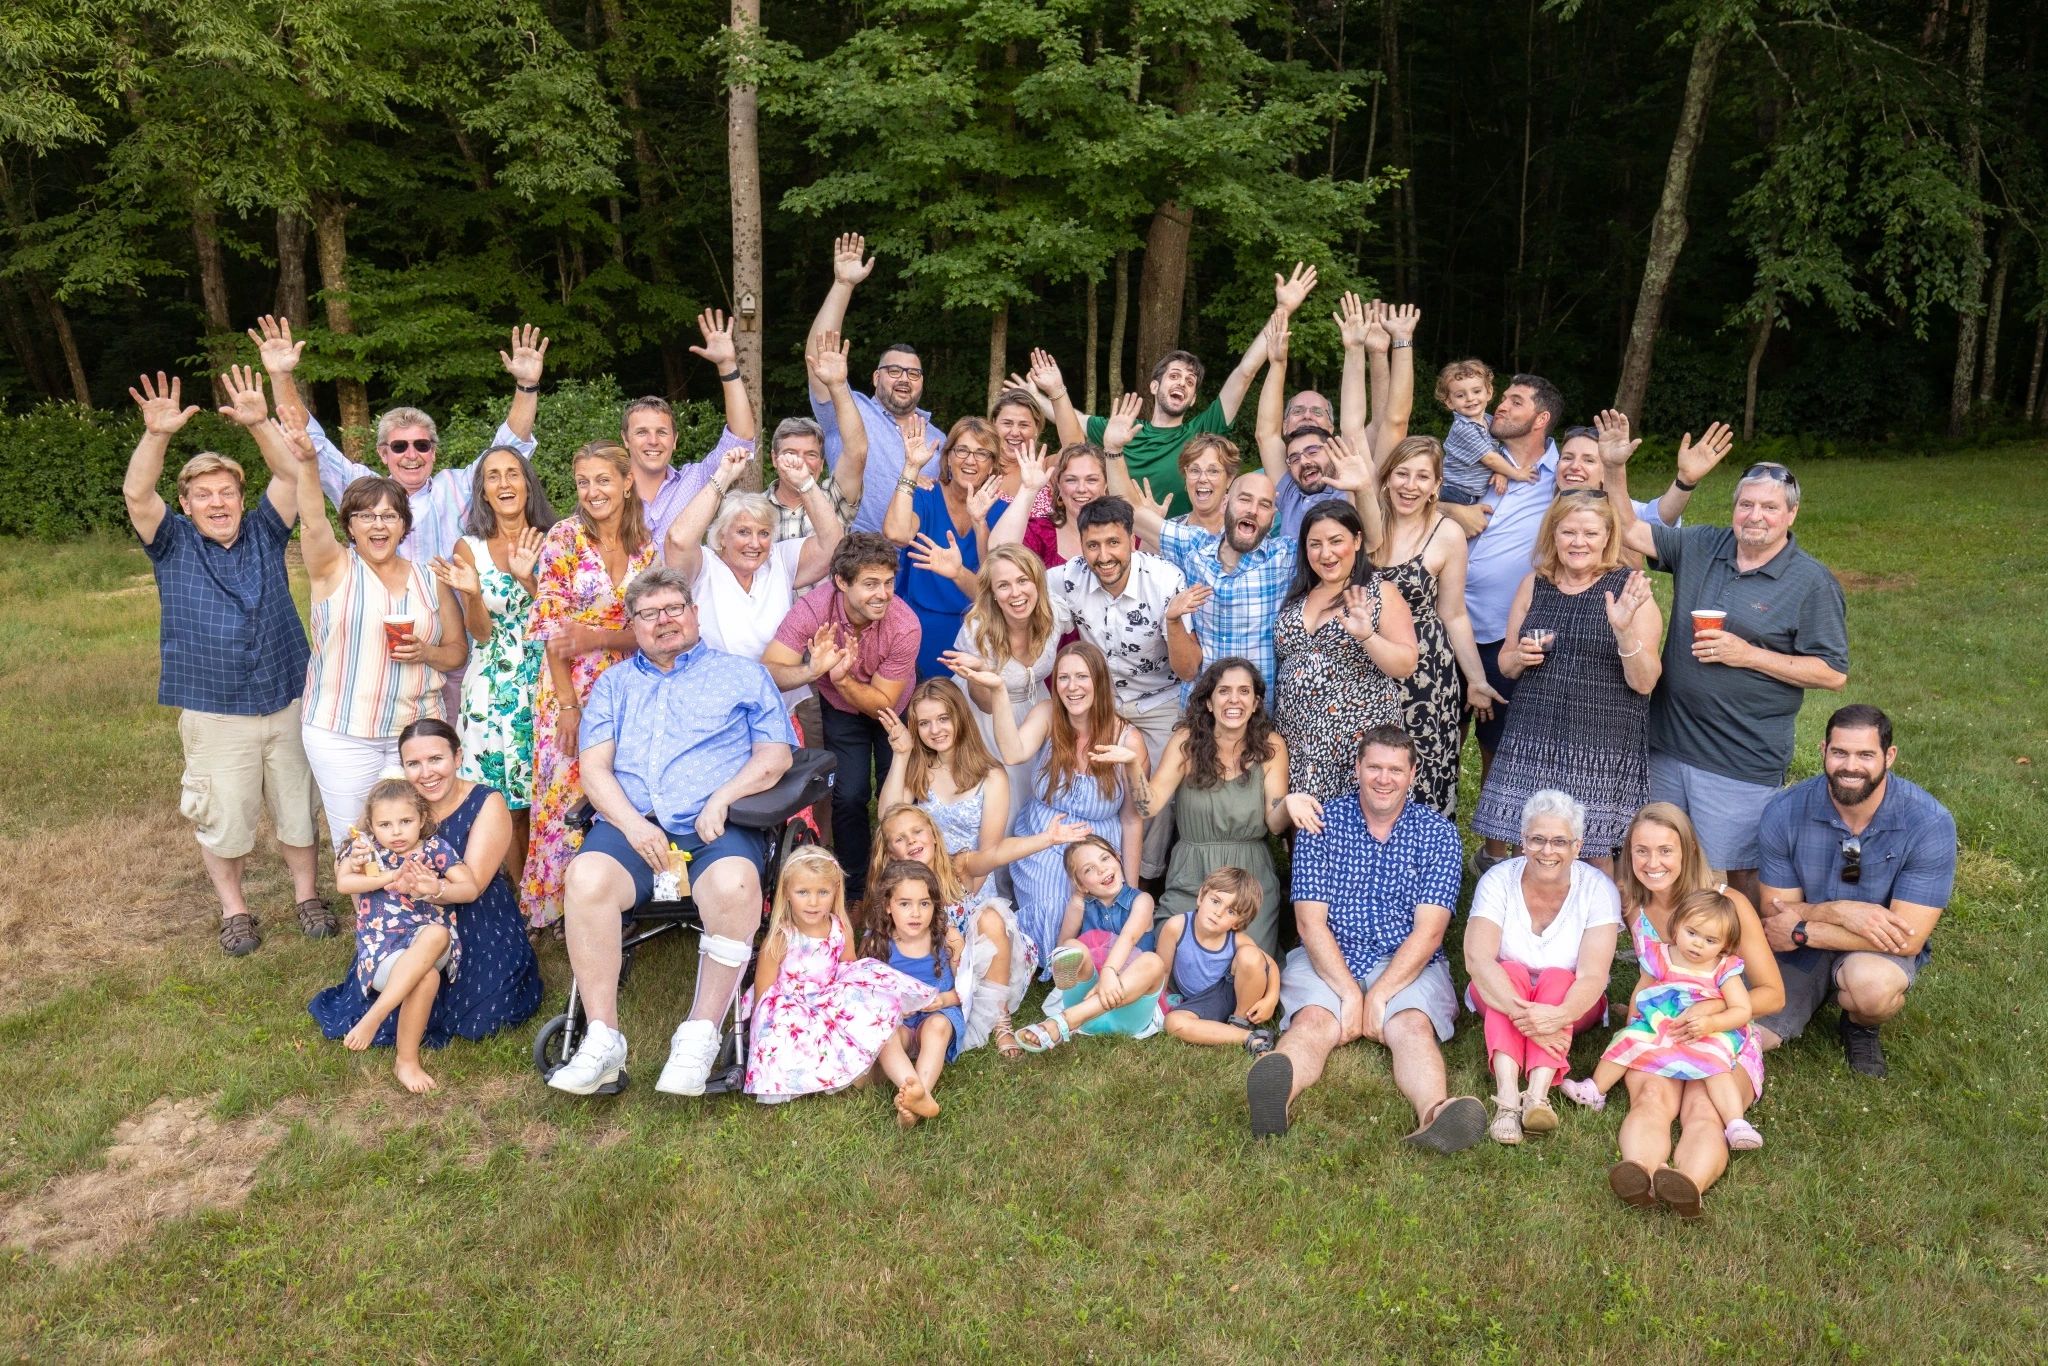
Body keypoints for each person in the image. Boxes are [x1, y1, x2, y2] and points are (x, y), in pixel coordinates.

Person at [545, 568, 798, 1098]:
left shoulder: (742, 675)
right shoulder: (614, 685)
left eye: (673, 609)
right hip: (633, 825)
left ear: (694, 614)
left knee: (733, 887)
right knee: (587, 877)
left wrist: (723, 798)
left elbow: (774, 757)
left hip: (717, 824)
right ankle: (601, 1039)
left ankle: (701, 1034)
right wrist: (634, 828)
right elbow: (594, 770)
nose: (664, 622)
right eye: (649, 614)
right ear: (633, 626)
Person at [1597, 410, 1849, 905]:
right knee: (1660, 855)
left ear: (1791, 515)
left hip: (1740, 755)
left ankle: (1751, 958)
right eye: (1747, 504)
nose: (1755, 516)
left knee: (1742, 873)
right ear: (1733, 508)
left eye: (1770, 508)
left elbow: (1832, 672)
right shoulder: (1706, 544)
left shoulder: (1811, 582)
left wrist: (1747, 653)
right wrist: (1613, 469)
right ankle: (1666, 948)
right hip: (1668, 742)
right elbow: (1629, 532)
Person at [125, 367, 325, 957]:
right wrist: (157, 435)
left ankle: (307, 896)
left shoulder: (266, 532)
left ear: (242, 497)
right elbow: (138, 493)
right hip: (215, 708)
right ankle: (235, 910)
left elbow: (291, 474)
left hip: (287, 693)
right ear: (185, 504)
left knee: (297, 807)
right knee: (225, 817)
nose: (218, 502)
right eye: (204, 494)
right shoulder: (173, 542)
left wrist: (261, 421)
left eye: (227, 492)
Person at [1245, 727, 1485, 1151]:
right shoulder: (1321, 825)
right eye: (1374, 766)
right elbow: (1310, 923)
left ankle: (1436, 1115)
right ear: (1357, 769)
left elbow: (1429, 933)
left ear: (1413, 773)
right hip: (1329, 954)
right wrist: (1347, 992)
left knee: (1411, 1026)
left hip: (1408, 961)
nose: (1383, 778)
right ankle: (1274, 1099)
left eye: (1395, 769)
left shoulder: (1438, 835)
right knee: (1313, 1022)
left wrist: (1379, 995)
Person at [287, 404, 468, 849]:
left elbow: (457, 652)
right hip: (341, 732)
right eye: (366, 516)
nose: (378, 524)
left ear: (405, 525)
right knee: (357, 841)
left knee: (417, 835)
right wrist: (308, 464)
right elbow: (312, 517)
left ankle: (421, 918)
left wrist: (426, 653)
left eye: (389, 516)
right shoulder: (334, 567)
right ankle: (372, 921)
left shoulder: (432, 577)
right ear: (349, 525)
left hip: (414, 735)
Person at [308, 718, 545, 1050]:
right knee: (405, 991)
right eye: (414, 764)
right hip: (404, 923)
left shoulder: (485, 802)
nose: (427, 772)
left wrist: (431, 889)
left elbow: (473, 886)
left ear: (457, 757)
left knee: (485, 1017)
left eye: (436, 759)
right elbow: (349, 857)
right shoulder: (397, 803)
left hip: (475, 914)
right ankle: (384, 1013)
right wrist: (358, 861)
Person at [996, 493, 1197, 879]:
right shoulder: (1069, 577)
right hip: (1097, 699)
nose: (1104, 556)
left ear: (1131, 539)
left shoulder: (1165, 580)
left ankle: (1142, 880)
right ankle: (1075, 862)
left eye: (1113, 543)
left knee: (1153, 798)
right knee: (1079, 775)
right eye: (1093, 545)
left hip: (1158, 699)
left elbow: (1188, 670)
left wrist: (1172, 623)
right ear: (1082, 543)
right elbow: (1010, 578)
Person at [1753, 705, 1956, 1079]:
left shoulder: (1929, 823)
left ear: (1888, 756)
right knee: (1751, 1037)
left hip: (1867, 948)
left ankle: (1859, 1024)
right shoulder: (1784, 811)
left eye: (1865, 754)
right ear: (1823, 750)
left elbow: (1906, 938)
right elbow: (1774, 909)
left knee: (1872, 990)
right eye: (1840, 752)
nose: (1851, 766)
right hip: (1804, 948)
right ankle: (1810, 991)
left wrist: (1805, 928)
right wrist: (1841, 910)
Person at [1607, 802, 1785, 1218]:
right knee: (1650, 1099)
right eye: (1641, 850)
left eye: (1666, 850)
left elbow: (1773, 994)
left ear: (1687, 851)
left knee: (1704, 1109)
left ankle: (1687, 1184)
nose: (1653, 863)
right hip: (1663, 1034)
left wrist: (1712, 1009)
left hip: (1722, 1035)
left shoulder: (1728, 904)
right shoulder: (1632, 906)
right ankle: (1640, 1174)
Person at [252, 315, 543, 568]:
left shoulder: (458, 487)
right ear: (383, 454)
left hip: (453, 625)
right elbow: (311, 440)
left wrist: (527, 385)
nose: (411, 454)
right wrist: (280, 376)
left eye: (422, 445)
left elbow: (510, 449)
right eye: (400, 446)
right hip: (383, 622)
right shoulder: (361, 488)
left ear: (433, 452)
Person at [1471, 493, 1663, 872]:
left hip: (1599, 738)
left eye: (1590, 533)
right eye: (1568, 532)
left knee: (1592, 851)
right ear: (1552, 535)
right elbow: (1506, 664)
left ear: (1608, 536)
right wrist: (1520, 657)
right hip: (1535, 732)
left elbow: (1645, 682)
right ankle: (1525, 925)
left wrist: (1623, 631)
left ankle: (1595, 926)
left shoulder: (1629, 588)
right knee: (1529, 841)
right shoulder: (1534, 584)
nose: (1578, 542)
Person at [1029, 263, 1312, 506]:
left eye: (1190, 382)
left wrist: (1283, 309)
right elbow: (1074, 420)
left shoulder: (1201, 432)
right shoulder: (1122, 430)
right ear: (1154, 387)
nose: (1183, 384)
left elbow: (1244, 373)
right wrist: (1035, 398)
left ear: (1191, 400)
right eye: (1174, 376)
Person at [519, 442, 659, 929]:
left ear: (626, 483)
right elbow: (552, 630)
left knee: (622, 789)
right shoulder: (564, 537)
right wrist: (569, 707)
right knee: (565, 790)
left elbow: (654, 628)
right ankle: (561, 907)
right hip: (572, 688)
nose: (593, 491)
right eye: (583, 482)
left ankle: (619, 894)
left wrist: (598, 636)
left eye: (603, 480)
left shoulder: (646, 543)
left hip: (633, 688)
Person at [966, 641, 1147, 970]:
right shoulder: (1048, 715)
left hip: (1097, 842)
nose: (1072, 687)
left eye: (1082, 677)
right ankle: (1052, 960)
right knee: (1054, 903)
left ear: (1099, 682)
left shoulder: (1127, 739)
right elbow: (1013, 751)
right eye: (1064, 678)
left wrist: (1129, 895)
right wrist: (999, 691)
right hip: (1045, 835)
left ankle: (1081, 957)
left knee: (1088, 896)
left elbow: (1133, 821)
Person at [761, 532, 919, 897]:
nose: (883, 593)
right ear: (841, 582)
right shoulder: (814, 609)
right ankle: (856, 888)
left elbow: (883, 702)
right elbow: (768, 669)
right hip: (841, 710)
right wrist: (810, 671)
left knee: (900, 795)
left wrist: (843, 680)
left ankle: (905, 881)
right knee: (848, 795)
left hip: (893, 707)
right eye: (870, 584)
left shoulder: (904, 624)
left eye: (888, 582)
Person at [1462, 790, 1623, 1146]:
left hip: (1570, 1002)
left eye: (1559, 841)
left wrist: (1558, 1014)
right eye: (1537, 839)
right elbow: (1478, 960)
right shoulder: (1498, 880)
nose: (1547, 851)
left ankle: (1536, 1096)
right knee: (1512, 973)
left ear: (1577, 846)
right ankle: (1507, 1099)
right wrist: (1526, 1013)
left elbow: (1593, 976)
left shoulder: (1598, 890)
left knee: (1557, 978)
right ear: (1523, 842)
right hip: (1501, 993)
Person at [428, 447, 556, 884]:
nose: (504, 484)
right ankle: (522, 899)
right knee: (508, 802)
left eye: (513, 474)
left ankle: (558, 895)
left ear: (527, 483)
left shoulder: (556, 538)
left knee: (551, 795)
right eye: (493, 476)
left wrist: (527, 579)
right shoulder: (471, 547)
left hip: (548, 678)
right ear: (482, 490)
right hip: (493, 687)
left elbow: (564, 618)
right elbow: (479, 632)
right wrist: (475, 593)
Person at [1560, 888, 1762, 1155]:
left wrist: (1712, 1024)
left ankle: (1736, 1123)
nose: (1698, 944)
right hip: (1659, 1023)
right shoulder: (1660, 956)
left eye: (1710, 940)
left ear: (1725, 945)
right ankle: (1596, 1090)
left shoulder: (1724, 969)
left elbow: (1741, 1010)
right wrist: (1633, 1022)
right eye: (1692, 933)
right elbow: (1642, 991)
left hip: (1705, 1030)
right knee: (1626, 1041)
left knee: (1717, 1065)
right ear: (1677, 925)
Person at [743, 846, 938, 1110]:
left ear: (835, 890)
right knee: (807, 1043)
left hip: (828, 996)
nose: (813, 902)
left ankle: (916, 1089)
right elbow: (763, 996)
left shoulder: (839, 927)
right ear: (786, 893)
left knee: (872, 1009)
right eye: (803, 893)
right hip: (791, 1006)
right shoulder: (780, 937)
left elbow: (849, 967)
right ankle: (869, 1076)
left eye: (822, 892)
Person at [870, 803, 1073, 1056]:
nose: (912, 841)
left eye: (917, 831)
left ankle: (1000, 1019)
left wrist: (1046, 839)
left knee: (990, 915)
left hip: (985, 961)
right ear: (890, 853)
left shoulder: (959, 866)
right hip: (941, 972)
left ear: (933, 834)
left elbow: (997, 854)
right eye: (900, 839)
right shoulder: (893, 890)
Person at [1369, 435, 1501, 814]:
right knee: (1371, 768)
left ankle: (1427, 859)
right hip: (1369, 663)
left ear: (1436, 487)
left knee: (1422, 767)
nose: (1410, 486)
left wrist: (1475, 680)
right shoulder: (1368, 525)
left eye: (1422, 477)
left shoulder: (1447, 534)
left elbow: (1454, 613)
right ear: (1387, 478)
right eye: (1402, 474)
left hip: (1426, 672)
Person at [663, 444, 844, 708]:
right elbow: (678, 540)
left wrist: (805, 484)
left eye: (763, 533)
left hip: (776, 704)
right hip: (714, 705)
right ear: (722, 536)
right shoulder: (704, 566)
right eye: (743, 532)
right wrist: (722, 478)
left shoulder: (778, 560)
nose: (755, 543)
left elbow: (832, 545)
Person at [331, 779, 476, 1093]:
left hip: (428, 942)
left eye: (405, 822)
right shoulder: (367, 851)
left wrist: (433, 888)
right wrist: (389, 877)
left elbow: (468, 888)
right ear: (371, 825)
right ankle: (406, 1061)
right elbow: (344, 884)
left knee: (437, 933)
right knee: (427, 980)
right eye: (385, 824)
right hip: (382, 950)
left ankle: (377, 1012)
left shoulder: (435, 848)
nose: (396, 832)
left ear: (422, 819)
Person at [1145, 659, 1299, 955]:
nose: (1234, 699)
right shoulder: (1185, 742)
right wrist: (1131, 766)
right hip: (1193, 871)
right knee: (1177, 953)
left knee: (1243, 964)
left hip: (1248, 875)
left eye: (1244, 691)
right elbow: (1148, 806)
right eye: (1224, 691)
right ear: (1209, 702)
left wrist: (1289, 805)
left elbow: (1275, 823)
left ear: (1255, 703)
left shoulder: (1272, 746)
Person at [1273, 502, 1419, 801]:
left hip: (1355, 741)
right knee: (1305, 831)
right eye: (1315, 544)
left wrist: (1367, 636)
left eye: (1336, 541)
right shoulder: (1296, 594)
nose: (1326, 553)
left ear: (1356, 540)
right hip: (1299, 740)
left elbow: (1406, 664)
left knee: (1357, 833)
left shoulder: (1378, 592)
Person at [1457, 374, 1564, 777]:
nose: (1499, 405)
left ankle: (1495, 843)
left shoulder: (1562, 475)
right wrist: (1455, 511)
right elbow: (1425, 497)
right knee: (1432, 741)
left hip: (1503, 633)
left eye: (1515, 401)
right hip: (1444, 626)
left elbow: (1634, 515)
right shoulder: (1474, 456)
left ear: (1541, 419)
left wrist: (1684, 483)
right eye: (1502, 398)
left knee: (1497, 747)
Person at [804, 232, 944, 532]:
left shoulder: (939, 440)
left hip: (914, 566)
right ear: (876, 377)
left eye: (913, 373)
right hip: (850, 558)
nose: (904, 379)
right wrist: (843, 285)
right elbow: (819, 358)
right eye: (894, 371)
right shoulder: (848, 408)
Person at [1259, 295, 1419, 541]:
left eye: (1313, 450)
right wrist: (1277, 364)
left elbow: (1372, 424)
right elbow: (1265, 435)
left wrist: (1359, 350)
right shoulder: (1290, 492)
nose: (1304, 460)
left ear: (1332, 442)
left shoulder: (1356, 477)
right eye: (1295, 457)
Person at [947, 545, 1060, 835]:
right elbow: (983, 703)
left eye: (1023, 580)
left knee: (1042, 793)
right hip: (987, 714)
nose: (1016, 593)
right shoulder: (977, 631)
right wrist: (982, 675)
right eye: (1004, 585)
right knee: (1005, 802)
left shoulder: (1056, 613)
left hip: (1037, 707)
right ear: (993, 594)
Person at [883, 418, 1009, 678]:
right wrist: (911, 468)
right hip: (916, 631)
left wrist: (979, 524)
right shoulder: (925, 496)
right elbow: (896, 533)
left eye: (982, 453)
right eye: (962, 450)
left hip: (975, 636)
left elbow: (995, 592)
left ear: (993, 464)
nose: (970, 461)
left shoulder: (1001, 512)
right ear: (948, 457)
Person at [1016, 836, 1169, 1048]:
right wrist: (1077, 902)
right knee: (1071, 946)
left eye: (1105, 858)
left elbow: (1129, 937)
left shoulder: (1142, 900)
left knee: (1153, 962)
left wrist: (1109, 973)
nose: (1101, 869)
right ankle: (1071, 1015)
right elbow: (1062, 947)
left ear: (1118, 858)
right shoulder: (1081, 905)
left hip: (1130, 1010)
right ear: (1080, 884)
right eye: (1088, 869)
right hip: (1087, 999)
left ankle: (1064, 1021)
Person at [625, 309, 762, 543]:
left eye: (662, 432)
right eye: (641, 432)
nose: (653, 441)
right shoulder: (609, 488)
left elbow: (742, 437)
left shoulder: (696, 481)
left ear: (675, 439)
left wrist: (727, 365)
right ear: (625, 439)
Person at [862, 859, 967, 1126]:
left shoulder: (947, 938)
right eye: (904, 904)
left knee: (939, 1026)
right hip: (899, 1024)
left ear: (935, 905)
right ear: (888, 905)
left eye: (924, 903)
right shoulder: (877, 941)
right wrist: (892, 1007)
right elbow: (865, 990)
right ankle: (912, 1090)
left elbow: (969, 990)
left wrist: (944, 999)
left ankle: (920, 1095)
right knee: (885, 1035)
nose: (916, 913)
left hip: (936, 1016)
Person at [1154, 867, 1280, 1054]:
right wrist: (1154, 1008)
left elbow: (1269, 964)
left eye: (1231, 911)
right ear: (1201, 897)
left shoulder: (1238, 940)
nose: (1218, 912)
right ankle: (1247, 1037)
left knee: (1251, 956)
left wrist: (1271, 998)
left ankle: (1240, 1023)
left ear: (1237, 922)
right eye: (1215, 901)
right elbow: (1162, 970)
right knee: (1173, 1023)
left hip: (1233, 995)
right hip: (1199, 1003)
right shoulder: (1176, 927)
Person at [1434, 358, 1524, 504]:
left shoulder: (1489, 421)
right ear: (1450, 402)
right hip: (1453, 491)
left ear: (1488, 393)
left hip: (1470, 493)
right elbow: (1490, 458)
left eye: (1476, 391)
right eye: (1460, 395)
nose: (1470, 398)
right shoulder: (1463, 428)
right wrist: (1516, 474)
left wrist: (1501, 472)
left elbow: (1498, 451)